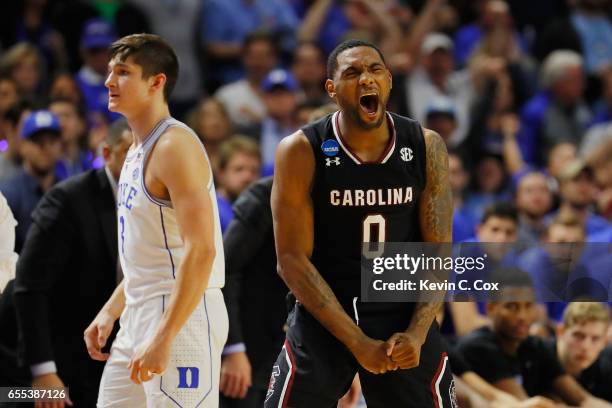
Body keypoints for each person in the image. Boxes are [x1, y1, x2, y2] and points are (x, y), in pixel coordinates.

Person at [266, 39, 454, 407]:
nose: (366, 79)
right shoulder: (302, 149)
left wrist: (417, 333)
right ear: (332, 89)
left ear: (389, 82)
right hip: (327, 306)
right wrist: (358, 343)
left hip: (400, 303)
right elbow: (290, 260)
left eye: (375, 70)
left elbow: (438, 251)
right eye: (352, 73)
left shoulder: (425, 145)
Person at [83, 33, 228, 407]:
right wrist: (111, 309)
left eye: (123, 72)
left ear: (156, 81)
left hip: (182, 315)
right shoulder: (134, 148)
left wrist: (165, 338)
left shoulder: (174, 146)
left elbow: (202, 250)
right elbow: (145, 248)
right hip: (139, 310)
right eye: (110, 72)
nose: (109, 81)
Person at [12, 119, 132, 406]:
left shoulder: (152, 203)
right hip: (44, 357)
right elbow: (29, 287)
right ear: (106, 154)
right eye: (130, 152)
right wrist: (43, 371)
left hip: (104, 350)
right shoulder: (68, 199)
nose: (140, 163)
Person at [0, 110, 62, 253]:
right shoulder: (8, 194)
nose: (46, 148)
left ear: (60, 146)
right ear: (23, 146)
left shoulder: (67, 191)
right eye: (38, 142)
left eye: (52, 141)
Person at [551, 302, 611, 402]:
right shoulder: (540, 355)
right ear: (560, 332)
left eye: (595, 339)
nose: (585, 346)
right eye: (578, 336)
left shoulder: (606, 369)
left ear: (604, 343)